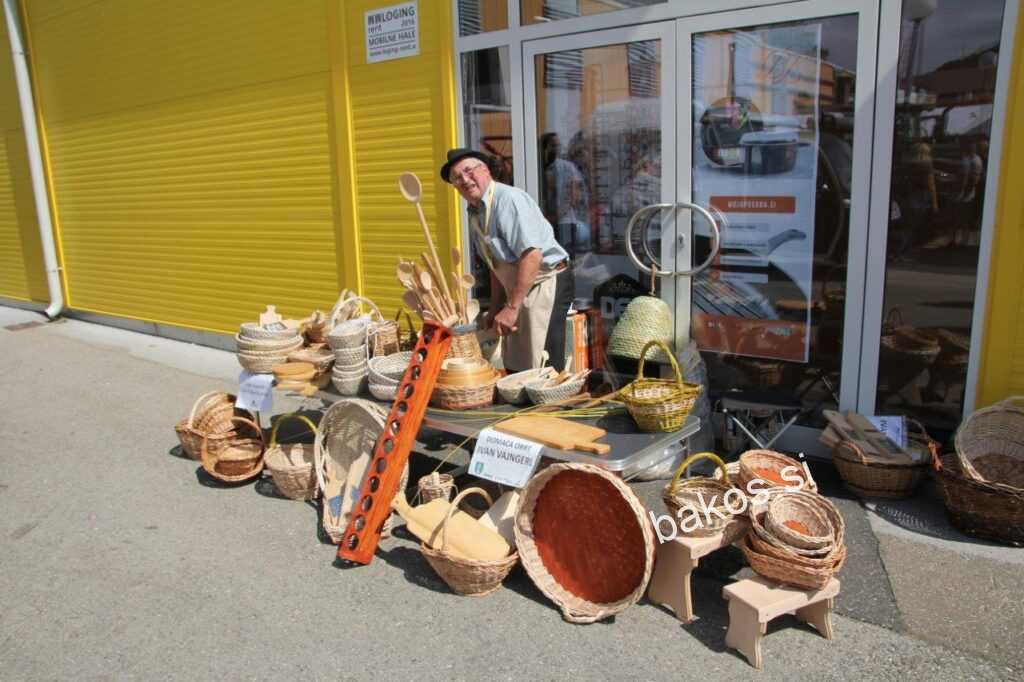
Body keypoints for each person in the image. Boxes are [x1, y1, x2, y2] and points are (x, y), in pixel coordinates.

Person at [441, 147, 573, 373]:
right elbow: (497, 265)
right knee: (518, 362)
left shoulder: (508, 200)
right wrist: (495, 307)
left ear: (485, 170)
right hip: (520, 288)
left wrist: (511, 308)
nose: (465, 180)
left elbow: (532, 256)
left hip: (545, 283)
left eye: (469, 171)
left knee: (543, 366)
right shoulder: (475, 213)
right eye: (457, 178)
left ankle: (550, 397)